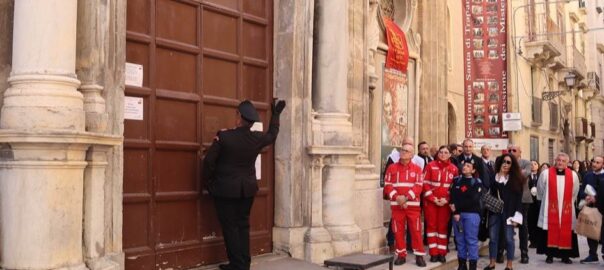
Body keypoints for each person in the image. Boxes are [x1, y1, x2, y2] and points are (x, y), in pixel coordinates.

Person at [202, 99, 286, 270]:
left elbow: (209, 162)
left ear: (239, 117)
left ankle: (236, 265)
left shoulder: (224, 137)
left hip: (225, 191)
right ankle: (243, 264)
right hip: (247, 190)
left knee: (230, 228)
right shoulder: (255, 138)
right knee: (243, 225)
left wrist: (208, 183)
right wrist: (276, 115)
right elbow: (272, 134)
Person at [383, 143, 427, 267]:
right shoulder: (391, 167)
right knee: (398, 231)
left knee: (416, 231)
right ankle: (401, 255)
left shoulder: (417, 169)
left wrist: (406, 198)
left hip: (412, 206)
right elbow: (387, 184)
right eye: (402, 150)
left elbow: (419, 186)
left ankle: (419, 256)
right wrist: (397, 198)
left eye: (407, 151)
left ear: (412, 154)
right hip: (397, 206)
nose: (403, 152)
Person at [536, 152, 580, 264]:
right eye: (558, 160)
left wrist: (568, 203)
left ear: (567, 163)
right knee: (549, 230)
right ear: (555, 160)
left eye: (563, 161)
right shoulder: (545, 173)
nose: (560, 162)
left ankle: (565, 256)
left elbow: (575, 192)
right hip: (549, 208)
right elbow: (540, 189)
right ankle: (549, 255)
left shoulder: (573, 175)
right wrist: (544, 201)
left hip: (566, 209)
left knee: (567, 231)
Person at [483, 154, 524, 270]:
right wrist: (500, 174)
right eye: (504, 162)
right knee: (493, 238)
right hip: (495, 212)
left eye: (508, 162)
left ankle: (509, 265)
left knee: (509, 239)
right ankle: (492, 263)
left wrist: (517, 216)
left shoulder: (516, 179)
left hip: (509, 213)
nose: (505, 164)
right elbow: (492, 190)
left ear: (512, 165)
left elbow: (518, 199)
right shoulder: (494, 176)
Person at [423, 145, 459, 263]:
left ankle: (442, 253)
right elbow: (425, 184)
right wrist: (433, 199)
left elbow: (455, 188)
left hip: (444, 204)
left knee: (442, 228)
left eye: (445, 152)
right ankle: (433, 253)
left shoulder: (454, 169)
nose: (443, 154)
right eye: (441, 152)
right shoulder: (430, 166)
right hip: (431, 203)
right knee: (431, 227)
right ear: (438, 154)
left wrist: (447, 199)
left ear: (450, 155)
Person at [451, 162, 484, 270]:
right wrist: (455, 212)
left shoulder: (477, 182)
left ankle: (472, 265)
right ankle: (462, 264)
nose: (465, 167)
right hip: (457, 216)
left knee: (471, 240)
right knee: (460, 240)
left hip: (471, 215)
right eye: (464, 165)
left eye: (468, 166)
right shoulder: (456, 181)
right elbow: (452, 196)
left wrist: (457, 209)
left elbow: (473, 200)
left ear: (473, 170)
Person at [506, 144, 532, 264]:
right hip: (508, 199)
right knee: (506, 224)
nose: (511, 152)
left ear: (520, 152)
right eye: (509, 150)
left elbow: (524, 175)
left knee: (523, 226)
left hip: (523, 199)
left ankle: (524, 253)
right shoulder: (504, 162)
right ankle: (502, 251)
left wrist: (511, 170)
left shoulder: (526, 163)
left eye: (514, 150)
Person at [578, 156, 604, 264]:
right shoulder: (587, 175)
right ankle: (593, 255)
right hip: (590, 207)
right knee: (590, 231)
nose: (594, 164)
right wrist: (585, 196)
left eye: (598, 162)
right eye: (594, 162)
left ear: (602, 164)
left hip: (602, 208)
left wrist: (596, 198)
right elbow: (581, 190)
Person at [527, 160, 541, 248]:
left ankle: (539, 240)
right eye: (531, 164)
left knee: (538, 221)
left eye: (535, 164)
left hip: (539, 202)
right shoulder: (526, 176)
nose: (532, 165)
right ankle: (532, 240)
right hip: (529, 202)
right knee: (530, 221)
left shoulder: (541, 176)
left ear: (538, 166)